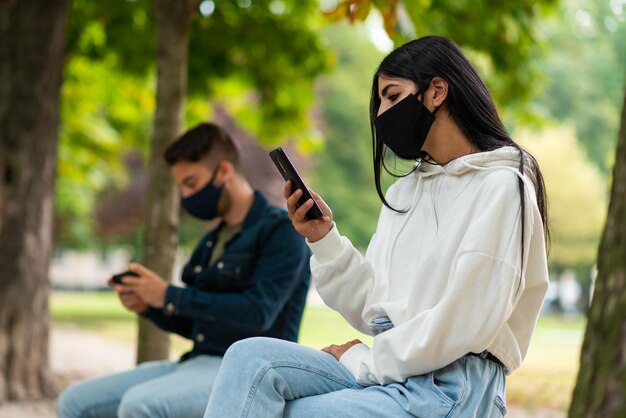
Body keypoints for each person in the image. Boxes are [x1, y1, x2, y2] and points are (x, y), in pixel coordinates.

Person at [202, 36, 549, 417]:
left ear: (436, 91)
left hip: (452, 386)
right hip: (393, 368)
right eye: (379, 102)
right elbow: (376, 306)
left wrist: (362, 360)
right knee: (249, 358)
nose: (382, 114)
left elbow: (463, 324)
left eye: (392, 96)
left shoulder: (502, 186)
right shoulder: (407, 190)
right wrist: (323, 239)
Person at [56, 122, 311, 418]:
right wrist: (151, 305)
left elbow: (258, 314)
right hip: (197, 362)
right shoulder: (212, 241)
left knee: (140, 405)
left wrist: (169, 295)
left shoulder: (281, 231)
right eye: (181, 188)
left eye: (191, 183)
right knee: (73, 402)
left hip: (250, 370)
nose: (187, 196)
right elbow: (199, 325)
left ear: (224, 172)